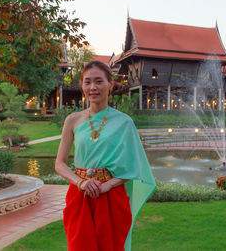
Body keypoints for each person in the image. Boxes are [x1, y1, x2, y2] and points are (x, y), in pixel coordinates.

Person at [55, 60, 156, 251]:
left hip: (111, 197)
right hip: (79, 195)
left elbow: (135, 166)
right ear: (82, 85)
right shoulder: (73, 120)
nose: (93, 87)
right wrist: (82, 183)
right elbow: (59, 164)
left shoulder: (124, 122)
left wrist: (106, 185)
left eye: (99, 81)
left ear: (110, 84)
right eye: (87, 82)